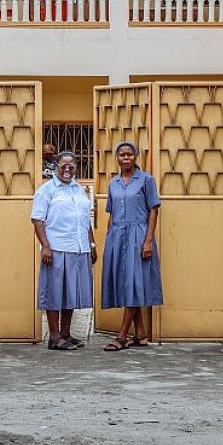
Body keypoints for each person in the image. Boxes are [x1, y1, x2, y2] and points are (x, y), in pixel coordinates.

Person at [30, 150, 96, 351]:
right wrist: (46, 247)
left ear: (76, 167)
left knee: (70, 293)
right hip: (57, 248)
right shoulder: (47, 190)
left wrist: (91, 245)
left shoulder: (79, 190)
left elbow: (85, 221)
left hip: (79, 248)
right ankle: (54, 336)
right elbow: (37, 220)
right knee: (54, 293)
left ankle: (66, 334)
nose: (67, 169)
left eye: (71, 166)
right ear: (56, 167)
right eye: (63, 166)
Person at [101, 142, 162, 351]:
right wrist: (109, 240)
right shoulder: (113, 183)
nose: (125, 158)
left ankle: (121, 336)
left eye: (129, 154)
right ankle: (141, 334)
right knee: (126, 283)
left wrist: (148, 240)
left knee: (134, 284)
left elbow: (153, 210)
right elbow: (111, 213)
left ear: (136, 157)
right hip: (117, 236)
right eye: (121, 155)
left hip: (138, 235)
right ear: (116, 158)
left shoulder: (146, 180)